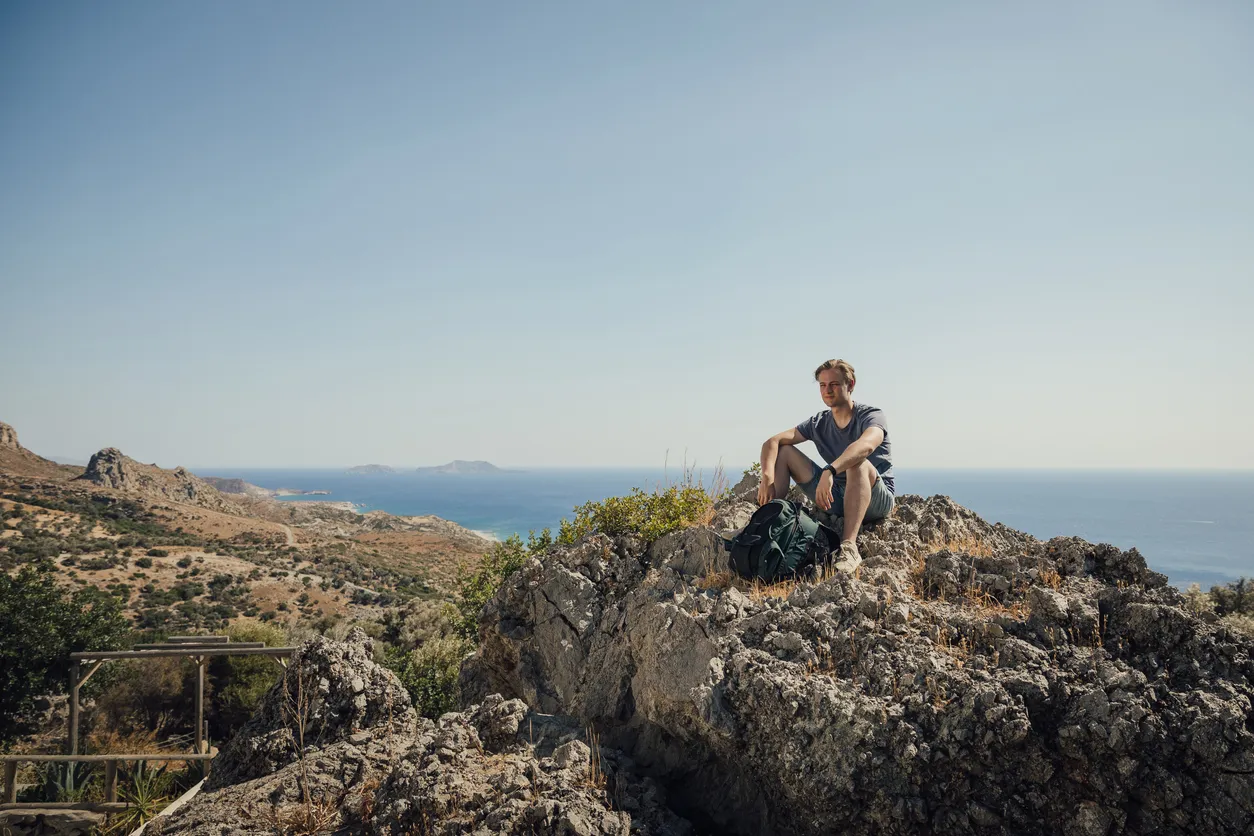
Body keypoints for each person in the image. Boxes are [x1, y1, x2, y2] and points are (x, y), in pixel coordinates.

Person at [757, 359, 895, 574]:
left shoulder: (871, 415)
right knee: (784, 451)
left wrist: (830, 471)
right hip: (836, 497)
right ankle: (765, 526)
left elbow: (865, 446)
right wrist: (767, 478)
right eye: (822, 385)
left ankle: (849, 548)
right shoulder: (818, 422)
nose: (827, 390)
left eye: (834, 384)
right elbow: (772, 442)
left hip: (875, 499)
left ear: (850, 385)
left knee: (856, 463)